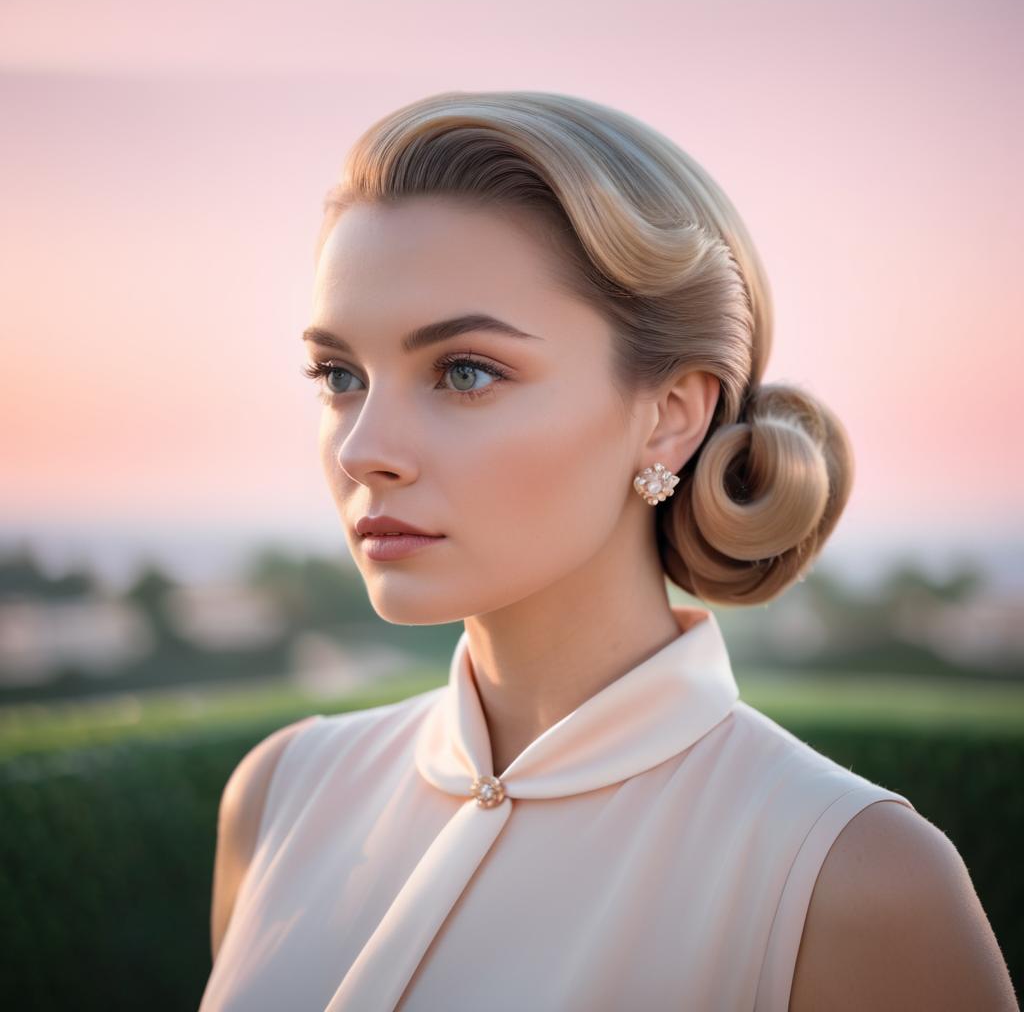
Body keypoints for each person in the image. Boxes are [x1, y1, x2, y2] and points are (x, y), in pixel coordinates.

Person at [198, 90, 1017, 1011]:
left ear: (671, 416)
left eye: (465, 372)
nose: (362, 448)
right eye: (339, 376)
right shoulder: (278, 798)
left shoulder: (850, 880)